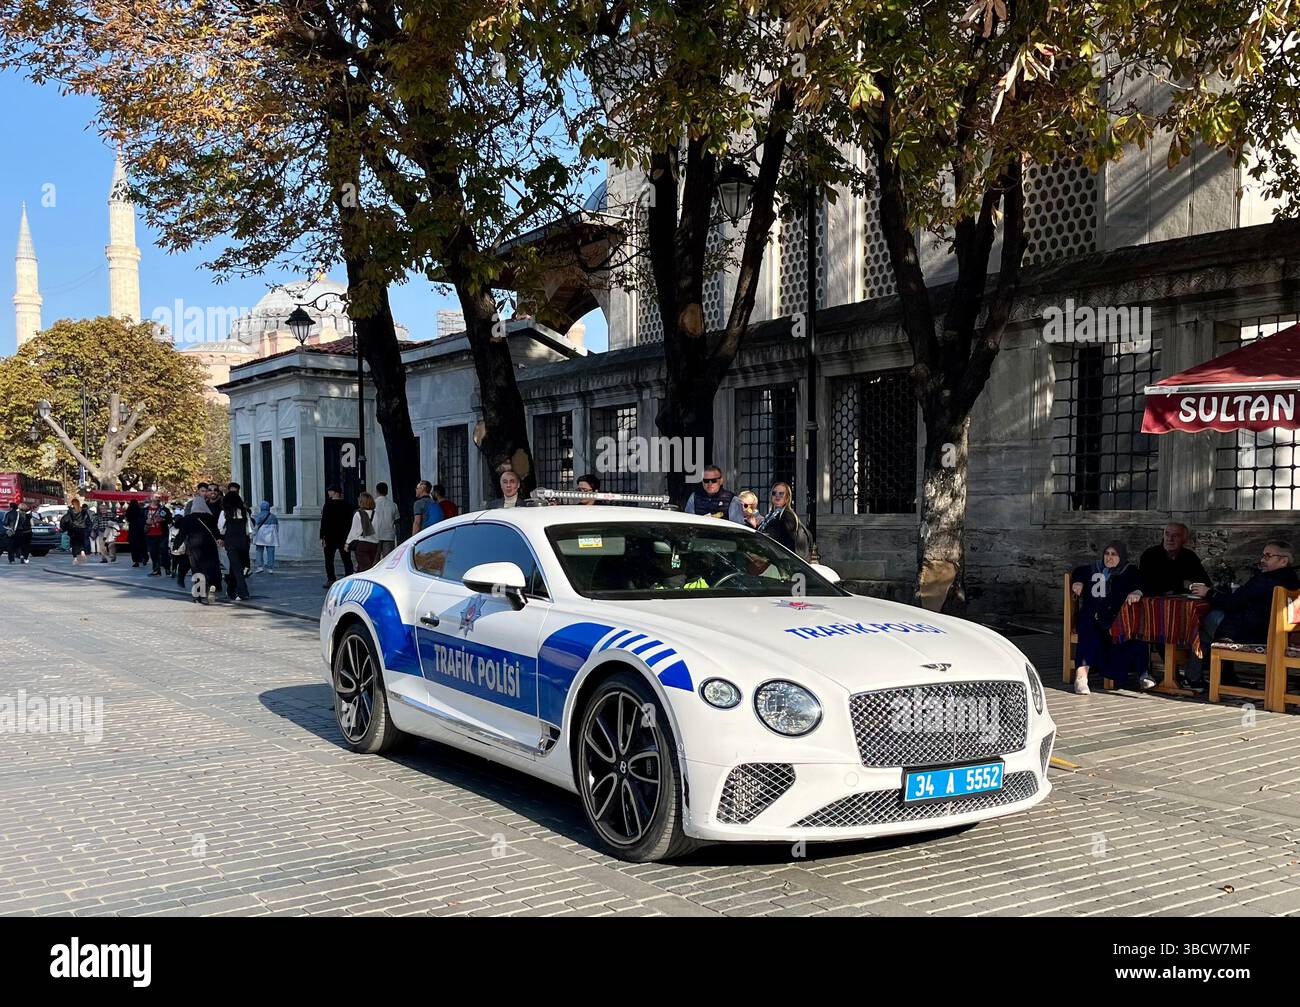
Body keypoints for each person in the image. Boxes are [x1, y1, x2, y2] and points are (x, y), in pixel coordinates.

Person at [1181, 540, 1300, 691]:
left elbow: (1233, 603)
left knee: (1208, 622)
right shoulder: (1291, 579)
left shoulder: (1267, 579)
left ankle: (1192, 678)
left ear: (1283, 561)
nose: (1262, 560)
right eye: (1262, 555)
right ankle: (1226, 676)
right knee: (1223, 620)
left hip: (1253, 634)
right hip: (1270, 632)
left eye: (1268, 556)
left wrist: (1208, 592)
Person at [1069, 542, 1148, 694]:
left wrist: (1137, 591)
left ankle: (1142, 674)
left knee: (1133, 632)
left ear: (1121, 556)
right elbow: (1078, 571)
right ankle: (1081, 677)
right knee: (1089, 631)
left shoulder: (1128, 571)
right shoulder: (1094, 568)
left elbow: (1141, 583)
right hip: (1091, 616)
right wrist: (1078, 581)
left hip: (1115, 618)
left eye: (1114, 554)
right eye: (1107, 554)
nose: (1109, 558)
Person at [1140, 523, 1211, 596]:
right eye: (1167, 534)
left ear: (1184, 540)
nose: (1170, 539)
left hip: (1186, 602)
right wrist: (1182, 584)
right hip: (1156, 602)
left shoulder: (1190, 556)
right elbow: (1148, 584)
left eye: (1175, 535)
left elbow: (1205, 582)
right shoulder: (1150, 555)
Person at [181, 484, 222, 603]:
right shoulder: (209, 517)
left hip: (193, 547)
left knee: (196, 570)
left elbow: (183, 533)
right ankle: (210, 588)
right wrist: (219, 539)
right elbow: (216, 531)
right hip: (209, 546)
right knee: (208, 569)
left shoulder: (188, 518)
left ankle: (197, 595)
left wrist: (178, 546)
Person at [757, 482, 814, 560]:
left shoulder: (787, 516)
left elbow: (789, 543)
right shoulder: (771, 515)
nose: (777, 496)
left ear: (787, 498)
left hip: (780, 561)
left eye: (781, 494)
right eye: (774, 493)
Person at [217, 488, 252, 601]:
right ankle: (232, 590)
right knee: (238, 567)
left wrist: (222, 537)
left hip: (231, 542)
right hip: (243, 541)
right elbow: (249, 528)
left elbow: (220, 528)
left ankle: (242, 592)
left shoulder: (225, 512)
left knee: (236, 568)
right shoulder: (244, 511)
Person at [320, 485, 355, 587]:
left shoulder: (328, 505)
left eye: (330, 491)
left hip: (330, 536)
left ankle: (331, 579)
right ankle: (349, 576)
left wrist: (322, 536)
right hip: (344, 536)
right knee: (346, 558)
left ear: (334, 492)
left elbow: (324, 522)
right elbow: (350, 521)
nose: (328, 493)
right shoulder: (348, 505)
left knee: (329, 559)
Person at [346, 491, 380, 572]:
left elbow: (354, 531)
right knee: (370, 567)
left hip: (362, 544)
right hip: (374, 544)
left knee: (363, 568)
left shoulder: (358, 514)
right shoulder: (376, 514)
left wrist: (347, 543)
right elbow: (378, 529)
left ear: (361, 502)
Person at [143, 496, 170, 575]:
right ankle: (156, 569)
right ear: (151, 499)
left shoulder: (164, 509)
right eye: (155, 498)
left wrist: (163, 520)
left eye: (158, 499)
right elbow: (141, 521)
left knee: (164, 552)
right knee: (153, 552)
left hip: (162, 534)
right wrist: (146, 522)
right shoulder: (145, 510)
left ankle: (167, 568)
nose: (156, 500)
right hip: (150, 534)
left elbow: (169, 519)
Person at [372, 482, 399, 557]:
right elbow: (396, 519)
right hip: (389, 536)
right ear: (387, 491)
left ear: (377, 491)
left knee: (374, 560)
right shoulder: (393, 505)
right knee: (387, 559)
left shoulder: (372, 504)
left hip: (375, 535)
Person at [59, 498, 91, 564]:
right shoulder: (83, 511)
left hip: (74, 529)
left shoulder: (71, 511)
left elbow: (66, 519)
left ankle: (75, 559)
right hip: (82, 529)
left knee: (74, 544)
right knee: (81, 542)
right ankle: (82, 551)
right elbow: (87, 520)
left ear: (73, 504)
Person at [252, 501, 279, 573]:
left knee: (259, 551)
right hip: (271, 537)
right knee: (270, 551)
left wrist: (253, 534)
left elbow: (256, 526)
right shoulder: (273, 516)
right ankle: (270, 568)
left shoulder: (259, 515)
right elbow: (276, 527)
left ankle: (260, 566)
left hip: (260, 536)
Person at [124, 499, 147, 567]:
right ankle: (144, 557)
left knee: (134, 546)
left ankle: (136, 560)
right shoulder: (141, 510)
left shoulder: (129, 511)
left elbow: (127, 519)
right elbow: (144, 519)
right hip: (141, 530)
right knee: (142, 545)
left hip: (133, 530)